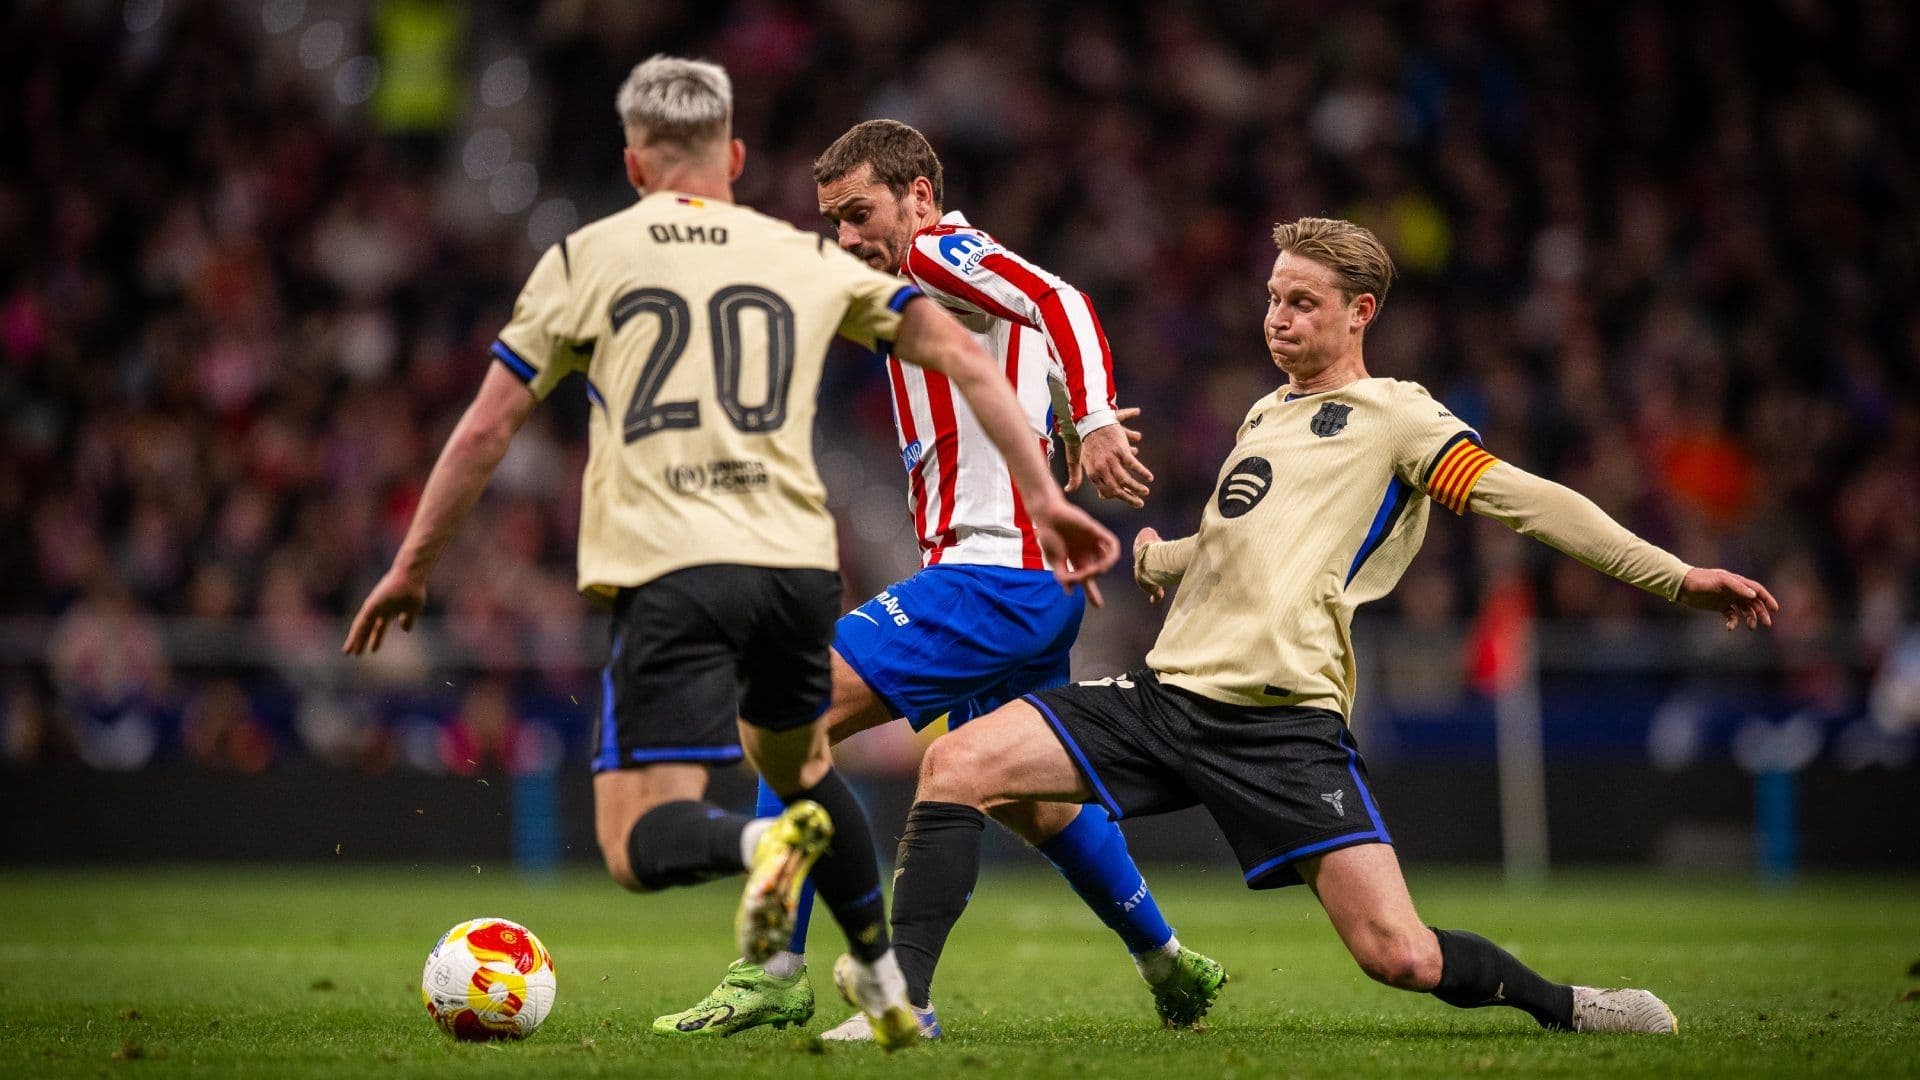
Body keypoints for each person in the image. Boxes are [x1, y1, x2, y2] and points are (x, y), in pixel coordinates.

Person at [341, 57, 1118, 1051]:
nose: (845, 234)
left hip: (674, 558)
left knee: (646, 835)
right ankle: (1026, 964)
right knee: (948, 777)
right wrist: (1054, 494)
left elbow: (488, 427)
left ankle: (772, 925)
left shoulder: (592, 257)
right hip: (798, 558)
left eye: (854, 214)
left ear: (631, 164)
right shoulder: (799, 259)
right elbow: (974, 355)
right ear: (737, 158)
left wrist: (411, 566)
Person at [886, 217, 1780, 1035]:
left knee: (1400, 956)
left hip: (1282, 725)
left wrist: (1676, 576)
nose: (1277, 318)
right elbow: (1240, 542)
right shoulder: (1264, 415)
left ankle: (1569, 1006)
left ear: (1359, 314)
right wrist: (1157, 558)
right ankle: (904, 1008)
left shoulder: (1399, 416)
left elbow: (1529, 503)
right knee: (956, 763)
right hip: (1164, 703)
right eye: (1273, 298)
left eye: (1301, 302)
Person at [656, 119, 1223, 1043]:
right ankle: (1170, 962)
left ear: (919, 194)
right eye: (834, 220)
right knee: (1027, 797)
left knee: (791, 710)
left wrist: (1097, 417)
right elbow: (1022, 338)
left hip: (989, 575)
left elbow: (1061, 300)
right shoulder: (926, 280)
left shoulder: (938, 249)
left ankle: (771, 968)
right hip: (1019, 582)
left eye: (859, 212)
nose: (849, 236)